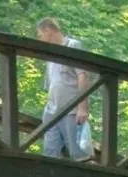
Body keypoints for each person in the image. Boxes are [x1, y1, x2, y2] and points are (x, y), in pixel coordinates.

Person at [36, 17, 90, 161]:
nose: (40, 40)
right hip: (51, 111)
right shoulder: (50, 55)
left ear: (48, 30)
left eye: (40, 35)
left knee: (78, 154)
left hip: (71, 110)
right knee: (49, 153)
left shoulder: (72, 45)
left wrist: (82, 107)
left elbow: (82, 75)